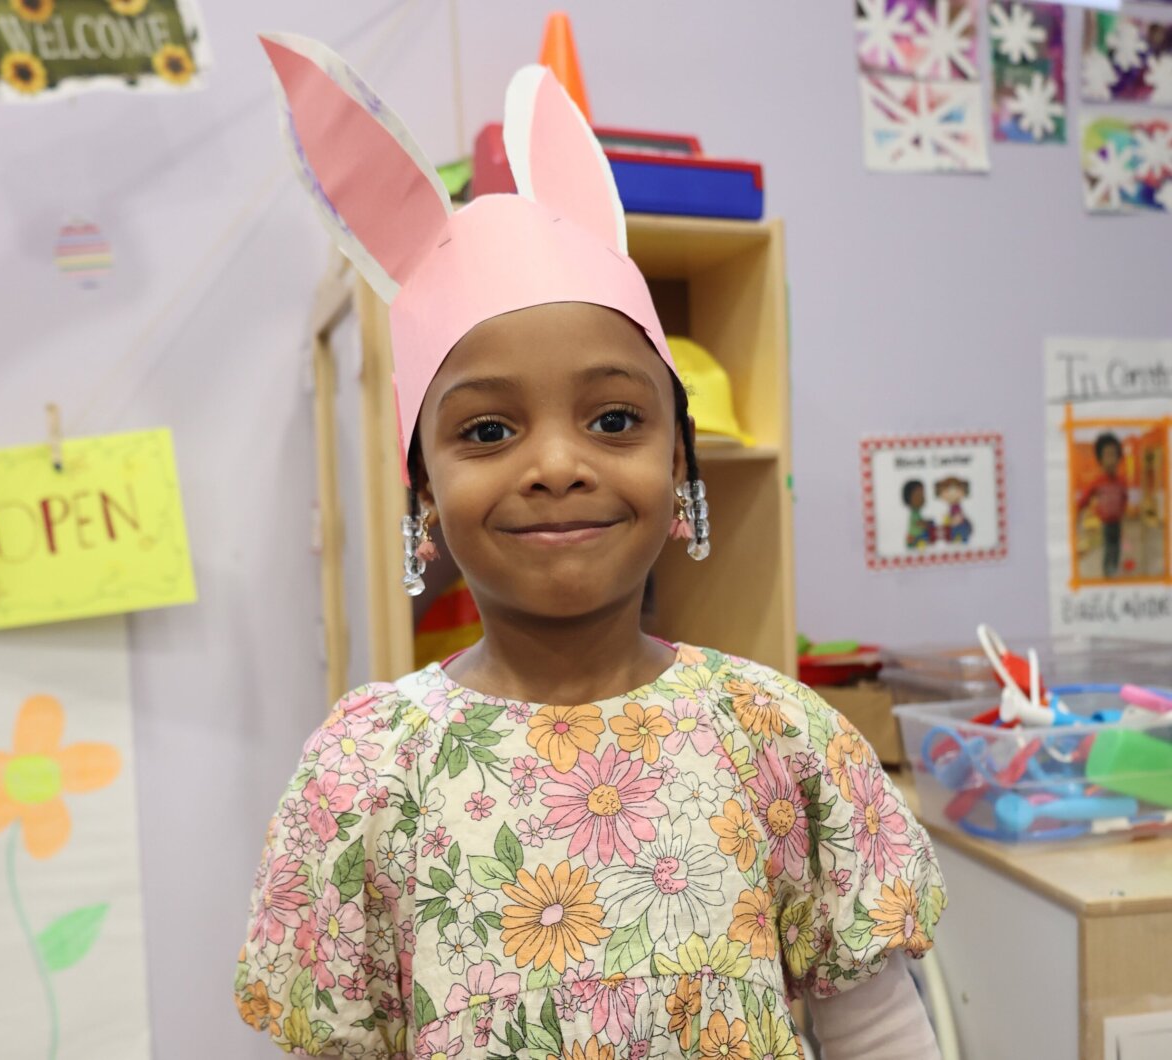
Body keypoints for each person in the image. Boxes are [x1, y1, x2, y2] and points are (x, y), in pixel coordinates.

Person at [236, 34, 945, 1060]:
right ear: (423, 490)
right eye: (487, 430)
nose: (557, 464)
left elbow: (875, 1027)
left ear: (680, 473)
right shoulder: (363, 770)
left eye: (614, 420)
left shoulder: (782, 739)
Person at [1077, 432, 1127, 578]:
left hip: (1117, 522)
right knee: (1107, 548)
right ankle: (1107, 572)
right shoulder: (1097, 482)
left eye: (1113, 454)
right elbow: (1084, 499)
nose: (1111, 459)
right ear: (1100, 459)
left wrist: (1122, 511)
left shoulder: (1121, 481)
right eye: (1107, 455)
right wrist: (1078, 511)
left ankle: (1114, 569)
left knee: (1116, 547)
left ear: (1119, 457)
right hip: (1103, 523)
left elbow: (1124, 498)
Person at [934, 476, 972, 545]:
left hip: (960, 527)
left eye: (955, 490)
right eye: (946, 491)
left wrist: (951, 522)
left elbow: (958, 517)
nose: (951, 494)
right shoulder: (952, 507)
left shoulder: (956, 507)